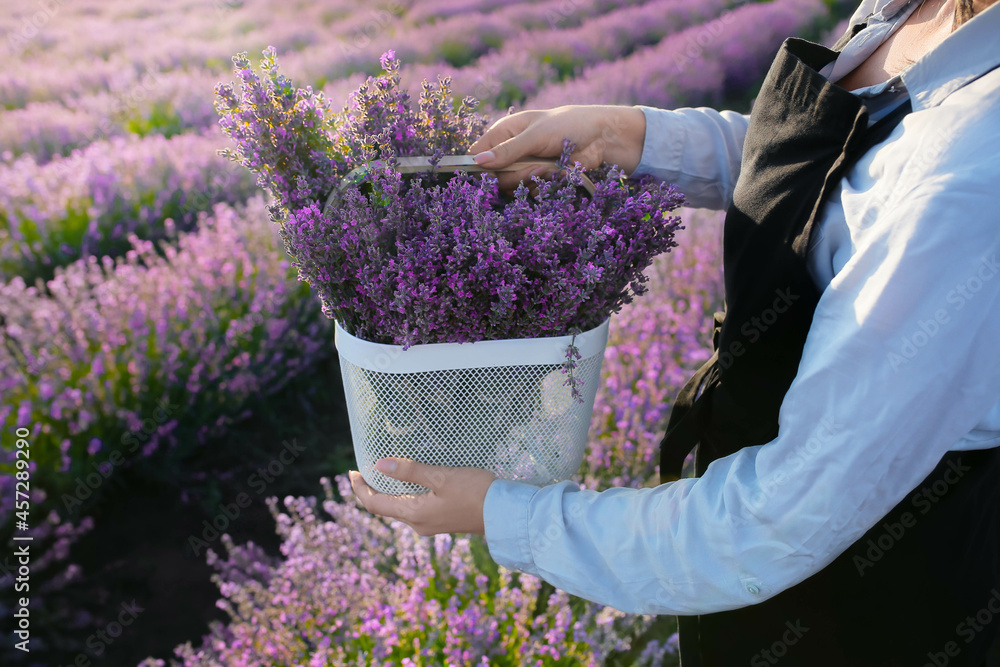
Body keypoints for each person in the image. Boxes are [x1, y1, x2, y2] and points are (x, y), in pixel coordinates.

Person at [348, 0, 1000, 663]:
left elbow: (772, 521)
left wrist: (508, 514)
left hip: (862, 595)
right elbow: (839, 173)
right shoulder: (920, 10)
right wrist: (624, 136)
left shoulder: (971, 178)